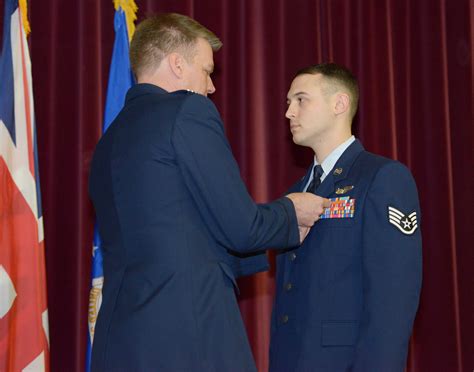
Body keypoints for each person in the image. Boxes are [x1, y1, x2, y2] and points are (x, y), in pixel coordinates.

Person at [89, 13, 329, 372]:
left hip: (120, 341)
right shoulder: (187, 110)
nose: (212, 86)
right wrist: (291, 212)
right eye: (206, 70)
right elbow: (241, 226)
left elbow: (182, 231)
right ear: (176, 63)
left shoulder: (107, 143)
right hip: (189, 336)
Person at [269, 63, 422, 372]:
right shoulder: (295, 194)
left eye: (301, 99)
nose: (289, 113)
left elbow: (392, 301)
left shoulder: (382, 178)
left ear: (339, 104)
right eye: (288, 103)